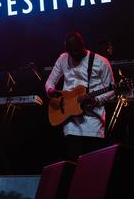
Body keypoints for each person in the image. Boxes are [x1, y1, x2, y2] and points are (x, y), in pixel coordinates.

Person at [45, 32, 115, 160]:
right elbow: (50, 82)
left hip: (94, 122)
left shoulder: (101, 62)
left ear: (83, 45)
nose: (74, 56)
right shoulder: (63, 59)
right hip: (70, 123)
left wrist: (97, 99)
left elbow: (112, 90)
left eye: (77, 52)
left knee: (93, 165)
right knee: (74, 164)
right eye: (71, 53)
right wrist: (50, 91)